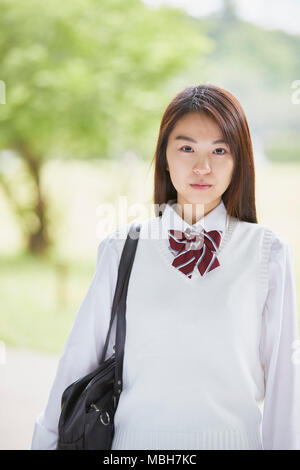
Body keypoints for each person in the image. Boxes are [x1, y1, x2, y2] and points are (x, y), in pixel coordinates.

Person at [30, 83, 300, 450]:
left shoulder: (268, 253)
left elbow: (286, 381)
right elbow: (75, 364)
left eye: (220, 150)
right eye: (186, 148)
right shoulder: (123, 247)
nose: (202, 166)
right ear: (165, 157)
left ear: (239, 159)